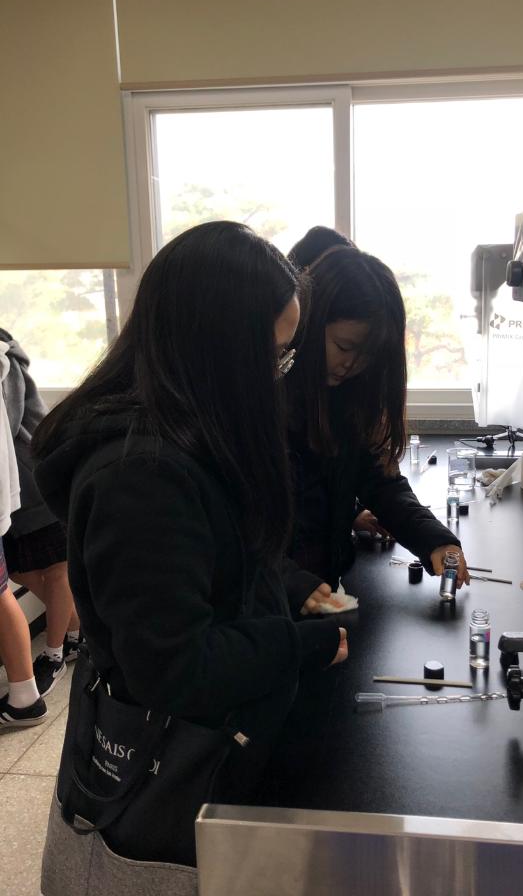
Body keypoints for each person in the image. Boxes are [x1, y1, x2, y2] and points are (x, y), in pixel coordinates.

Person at [33, 221, 347, 888]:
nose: (278, 377)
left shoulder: (191, 435)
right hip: (167, 787)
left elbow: (211, 555)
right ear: (215, 352)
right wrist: (299, 645)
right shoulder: (139, 478)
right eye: (272, 357)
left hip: (218, 751)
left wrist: (285, 585)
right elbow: (176, 667)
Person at [282, 229, 469, 618]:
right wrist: (292, 583)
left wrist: (435, 540)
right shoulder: (267, 400)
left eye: (366, 356)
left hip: (319, 594)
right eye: (344, 347)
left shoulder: (347, 396)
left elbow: (380, 482)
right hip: (271, 605)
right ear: (310, 324)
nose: (352, 365)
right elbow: (239, 533)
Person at [0, 328, 81, 697]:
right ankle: (79, 630)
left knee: (58, 569)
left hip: (37, 477)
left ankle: (54, 653)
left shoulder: (5, 357)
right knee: (21, 569)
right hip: (18, 486)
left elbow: (9, 419)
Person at [0, 340, 47, 729]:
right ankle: (25, 696)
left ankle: (27, 695)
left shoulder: (6, 358)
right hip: (17, 489)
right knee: (7, 585)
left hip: (33, 485)